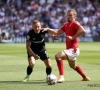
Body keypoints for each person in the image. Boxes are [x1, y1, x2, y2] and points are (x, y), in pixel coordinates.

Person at [42, 9, 90, 83]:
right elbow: (57, 32)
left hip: (73, 49)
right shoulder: (66, 25)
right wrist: (48, 30)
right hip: (71, 50)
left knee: (58, 56)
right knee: (73, 66)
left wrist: (72, 37)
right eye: (68, 15)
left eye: (70, 15)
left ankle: (61, 76)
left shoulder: (75, 23)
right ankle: (85, 77)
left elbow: (83, 30)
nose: (68, 16)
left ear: (74, 16)